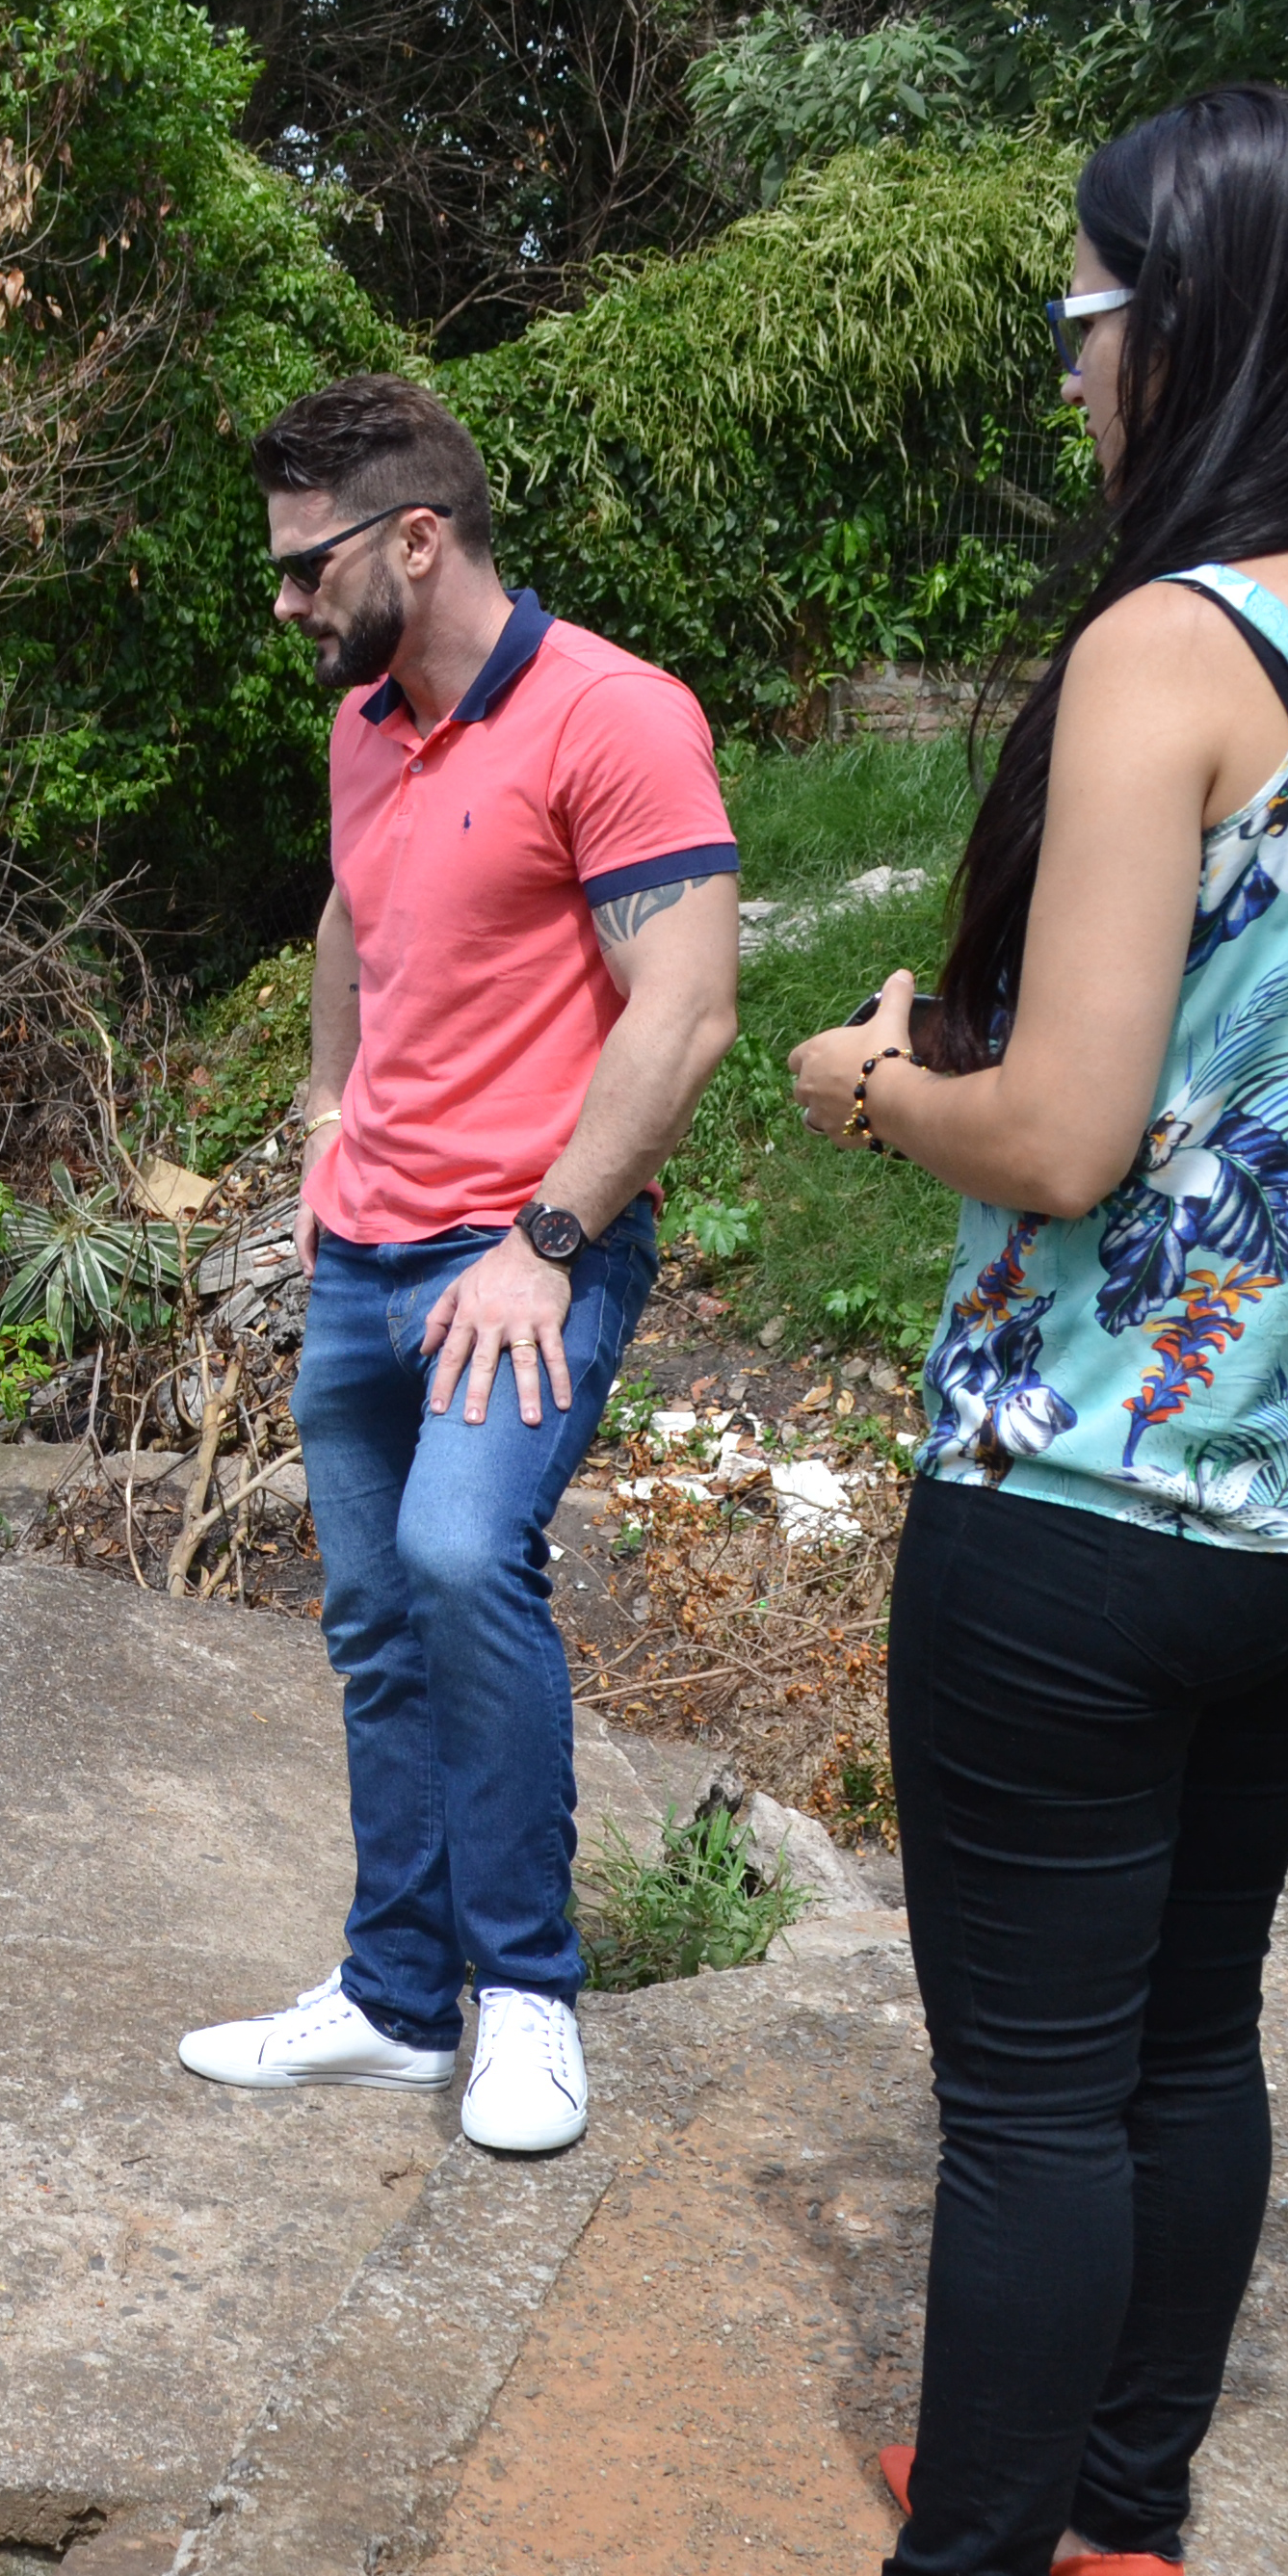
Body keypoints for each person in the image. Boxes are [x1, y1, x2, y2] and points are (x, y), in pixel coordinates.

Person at [620, 85, 1288, 2576]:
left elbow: (1060, 1135)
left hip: (1095, 1501)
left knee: (1030, 2094)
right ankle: (1113, 2503)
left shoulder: (1180, 647)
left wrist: (866, 1081)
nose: (1071, 382)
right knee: (1191, 2032)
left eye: (1082, 322)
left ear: (1201, 317)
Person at [172, 374, 744, 2157]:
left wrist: (548, 1244)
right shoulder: (368, 722)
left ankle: (523, 1999)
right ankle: (400, 2002)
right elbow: (354, 908)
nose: (285, 603)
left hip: (528, 1254)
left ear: (416, 540)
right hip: (364, 1249)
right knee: (369, 1620)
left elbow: (691, 1011)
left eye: (302, 567)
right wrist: (328, 1103)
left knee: (458, 1557)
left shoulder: (617, 718)